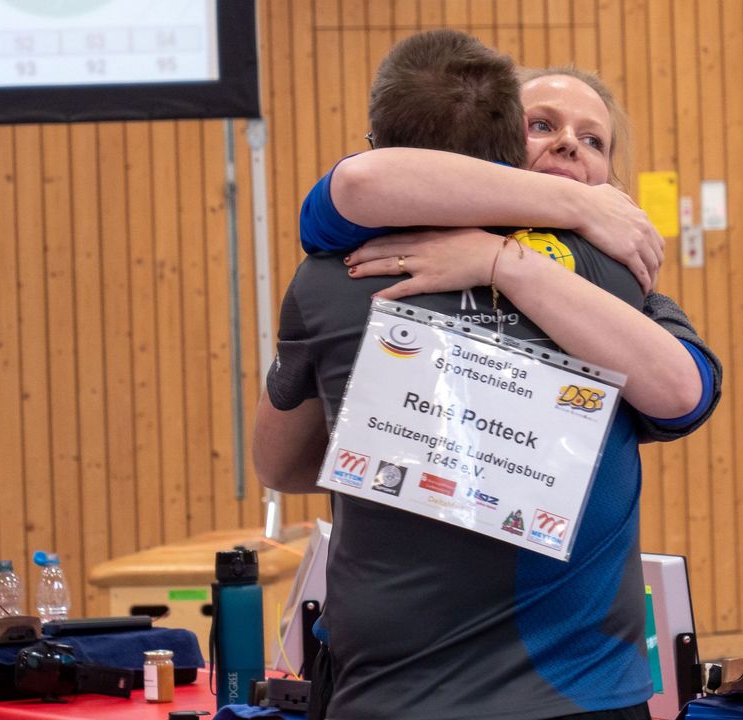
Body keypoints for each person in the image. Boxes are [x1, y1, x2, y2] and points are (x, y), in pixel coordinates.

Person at [257, 31, 719, 720]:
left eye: (594, 141)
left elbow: (687, 394)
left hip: (505, 690)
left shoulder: (336, 275)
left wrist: (500, 262)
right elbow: (361, 184)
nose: (568, 146)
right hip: (449, 688)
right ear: (498, 150)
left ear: (614, 191)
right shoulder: (349, 261)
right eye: (543, 126)